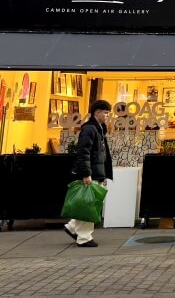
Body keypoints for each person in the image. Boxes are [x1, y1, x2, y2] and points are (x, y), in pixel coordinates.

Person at [64, 100, 113, 247]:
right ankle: (84, 238)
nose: (107, 116)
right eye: (106, 113)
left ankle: (72, 226)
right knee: (90, 204)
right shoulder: (90, 129)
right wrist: (86, 174)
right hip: (91, 172)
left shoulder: (99, 128)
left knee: (90, 202)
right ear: (97, 112)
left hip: (96, 171)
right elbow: (83, 153)